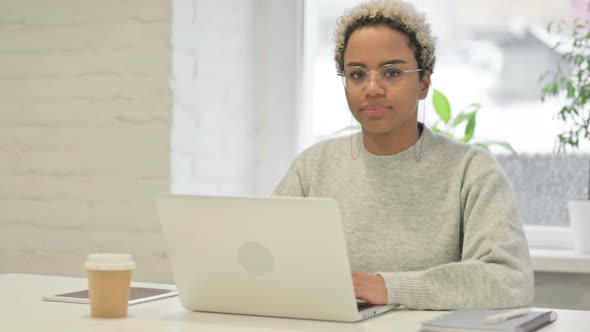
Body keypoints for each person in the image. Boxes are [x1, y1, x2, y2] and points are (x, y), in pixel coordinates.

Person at [273, 0, 534, 310]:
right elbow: (262, 258)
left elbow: (509, 281)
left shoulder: (472, 171)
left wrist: (386, 287)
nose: (372, 88)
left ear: (424, 83)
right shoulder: (312, 167)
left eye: (392, 72)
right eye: (357, 74)